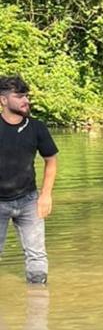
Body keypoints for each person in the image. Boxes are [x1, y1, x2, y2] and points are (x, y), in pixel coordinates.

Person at [0, 76, 58, 285]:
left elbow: (51, 161)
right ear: (4, 101)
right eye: (19, 96)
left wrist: (46, 195)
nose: (26, 100)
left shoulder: (37, 127)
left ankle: (38, 302)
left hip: (29, 201)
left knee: (37, 257)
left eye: (26, 96)